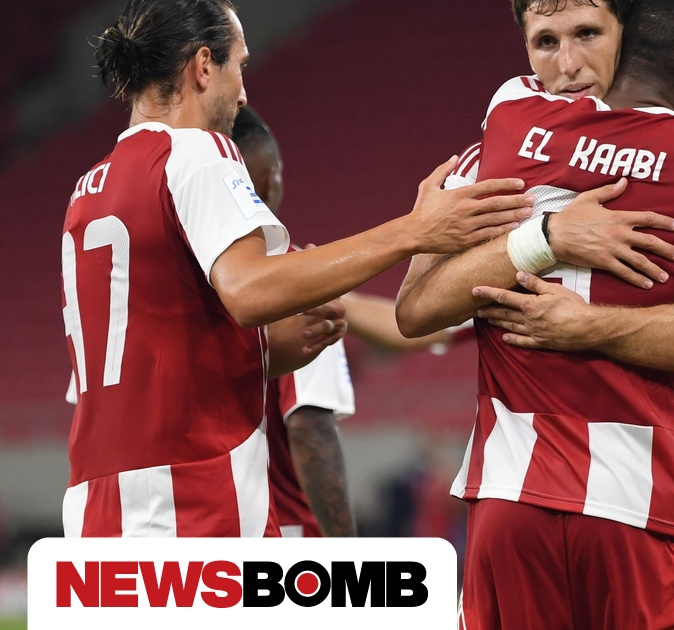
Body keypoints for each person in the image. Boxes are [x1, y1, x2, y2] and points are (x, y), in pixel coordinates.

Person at [397, 0, 674, 626]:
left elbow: (412, 309)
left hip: (512, 496)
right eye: (546, 42)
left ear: (625, 41)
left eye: (587, 35)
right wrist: (554, 235)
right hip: (644, 500)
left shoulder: (509, 116)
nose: (569, 63)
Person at [61, 0, 533, 537]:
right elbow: (249, 289)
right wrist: (414, 231)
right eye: (240, 66)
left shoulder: (87, 191)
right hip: (190, 499)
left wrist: (269, 351)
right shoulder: (198, 151)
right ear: (203, 66)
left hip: (94, 506)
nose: (243, 93)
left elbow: (153, 365)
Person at [232, 107, 356, 537]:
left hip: (193, 526)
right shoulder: (295, 277)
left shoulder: (172, 282)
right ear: (269, 180)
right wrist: (347, 556)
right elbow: (309, 426)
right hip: (285, 534)